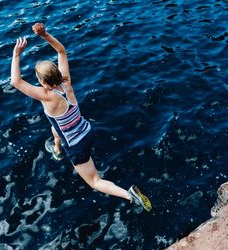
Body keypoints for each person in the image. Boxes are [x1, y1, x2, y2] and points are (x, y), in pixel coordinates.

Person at [10, 23, 151, 211]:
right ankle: (57, 150)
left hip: (77, 145)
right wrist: (44, 34)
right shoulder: (66, 82)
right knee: (55, 128)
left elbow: (15, 81)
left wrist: (17, 54)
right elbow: (61, 51)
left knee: (94, 181)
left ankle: (130, 196)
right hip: (86, 130)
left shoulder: (45, 96)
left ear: (42, 81)